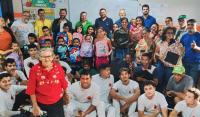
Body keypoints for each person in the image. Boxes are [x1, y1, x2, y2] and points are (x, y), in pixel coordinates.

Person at [26, 48, 68, 117]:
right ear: (39, 58)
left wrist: (66, 95)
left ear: (52, 57)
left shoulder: (58, 67)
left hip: (57, 102)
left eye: (49, 56)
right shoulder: (34, 70)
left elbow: (63, 83)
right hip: (41, 103)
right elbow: (31, 89)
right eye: (43, 57)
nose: (46, 59)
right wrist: (35, 105)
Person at [180, 19, 200, 87]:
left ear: (196, 26)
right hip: (185, 62)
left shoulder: (199, 35)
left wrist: (196, 47)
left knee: (192, 83)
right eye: (188, 24)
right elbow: (181, 48)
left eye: (192, 24)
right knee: (185, 82)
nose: (190, 26)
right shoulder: (184, 36)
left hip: (195, 63)